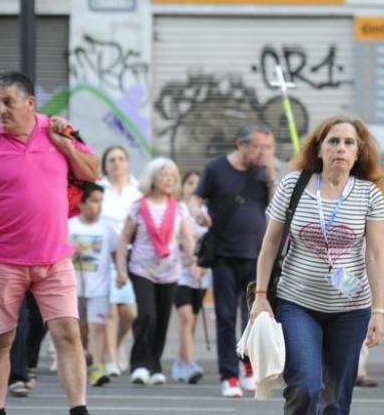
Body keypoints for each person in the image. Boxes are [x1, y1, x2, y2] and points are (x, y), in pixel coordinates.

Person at [250, 116, 384, 415]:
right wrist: (261, 296)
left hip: (351, 307)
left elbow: (377, 256)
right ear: (319, 148)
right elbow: (270, 244)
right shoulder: (294, 186)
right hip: (298, 302)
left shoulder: (369, 194)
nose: (341, 149)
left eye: (349, 142)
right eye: (333, 142)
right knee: (306, 386)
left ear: (358, 151)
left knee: (337, 395)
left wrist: (379, 310)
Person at [0, 71, 102, 415]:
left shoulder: (57, 132)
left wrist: (66, 145)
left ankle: (79, 411)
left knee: (68, 333)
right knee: (1, 338)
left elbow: (92, 173)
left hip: (55, 259)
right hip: (3, 260)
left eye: (7, 102)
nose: (0, 110)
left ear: (29, 103)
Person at [193, 123, 277, 398]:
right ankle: (228, 374)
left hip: (256, 255)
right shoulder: (217, 168)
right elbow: (195, 198)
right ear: (242, 144)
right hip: (224, 255)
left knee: (254, 315)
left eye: (267, 147)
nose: (262, 152)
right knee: (226, 317)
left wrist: (272, 175)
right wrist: (199, 213)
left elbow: (277, 208)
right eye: (258, 146)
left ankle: (248, 367)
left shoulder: (263, 172)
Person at [115, 158, 197, 386]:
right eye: (164, 174)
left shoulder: (179, 208)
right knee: (147, 314)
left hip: (170, 270)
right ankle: (139, 364)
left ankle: (154, 365)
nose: (170, 179)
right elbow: (124, 240)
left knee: (162, 319)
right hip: (142, 269)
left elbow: (188, 240)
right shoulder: (138, 206)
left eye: (173, 175)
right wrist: (121, 269)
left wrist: (195, 261)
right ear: (151, 179)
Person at [68, 183, 119, 388]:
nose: (98, 206)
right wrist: (72, 253)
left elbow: (117, 253)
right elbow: (58, 257)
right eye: (94, 201)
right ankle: (81, 361)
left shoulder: (107, 230)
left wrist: (121, 273)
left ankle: (97, 368)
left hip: (100, 288)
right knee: (79, 331)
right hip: (74, 288)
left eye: (101, 201)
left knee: (98, 327)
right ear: (81, 203)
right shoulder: (69, 226)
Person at [98, 145, 141, 377]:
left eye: (121, 158)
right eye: (111, 159)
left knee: (130, 313)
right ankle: (111, 359)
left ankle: (115, 344)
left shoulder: (137, 191)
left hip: (133, 256)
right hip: (104, 256)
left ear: (127, 162)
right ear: (105, 164)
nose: (116, 163)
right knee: (111, 310)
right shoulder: (99, 189)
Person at [173, 170, 210, 384]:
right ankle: (189, 364)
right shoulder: (176, 210)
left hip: (201, 273)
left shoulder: (204, 213)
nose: (194, 186)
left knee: (192, 320)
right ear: (182, 185)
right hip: (178, 271)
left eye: (198, 183)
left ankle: (181, 361)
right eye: (189, 182)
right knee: (185, 316)